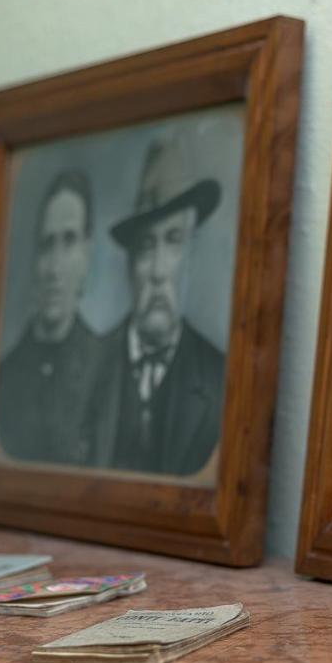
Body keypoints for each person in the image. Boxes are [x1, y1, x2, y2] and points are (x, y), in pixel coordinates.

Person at [86, 131, 226, 476]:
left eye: (174, 241)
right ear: (130, 263)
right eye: (147, 246)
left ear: (192, 251)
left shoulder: (221, 379)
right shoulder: (87, 366)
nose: (159, 271)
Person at [0, 169, 102, 465]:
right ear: (34, 261)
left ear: (86, 256)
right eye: (46, 245)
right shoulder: (3, 377)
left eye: (69, 242)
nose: (54, 268)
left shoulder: (106, 365)